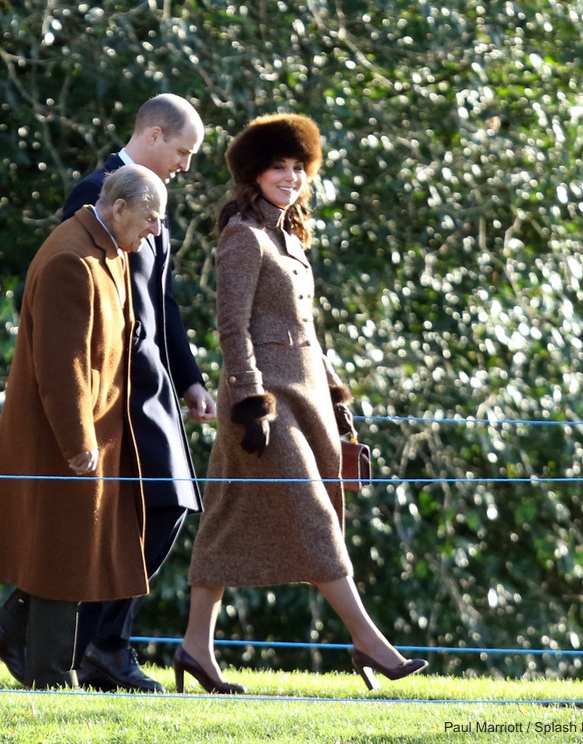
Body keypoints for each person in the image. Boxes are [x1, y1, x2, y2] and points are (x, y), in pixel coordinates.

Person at [175, 114, 428, 694]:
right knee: (313, 515)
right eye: (278, 168)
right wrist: (249, 400)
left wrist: (338, 399)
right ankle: (368, 640)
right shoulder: (243, 235)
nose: (289, 178)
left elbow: (308, 332)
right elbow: (231, 328)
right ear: (254, 174)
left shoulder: (291, 237)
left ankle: (194, 647)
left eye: (298, 168)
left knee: (224, 517)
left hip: (307, 395)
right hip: (264, 401)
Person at [0, 165, 167, 689]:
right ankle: (50, 676)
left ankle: (8, 630)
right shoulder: (70, 259)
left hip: (97, 428)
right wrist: (78, 442)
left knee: (80, 546)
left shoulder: (110, 251)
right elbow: (63, 366)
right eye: (150, 219)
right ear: (118, 207)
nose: (154, 232)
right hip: (62, 434)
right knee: (62, 554)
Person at [56, 93, 216, 693]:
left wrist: (192, 377)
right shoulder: (96, 191)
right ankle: (91, 643)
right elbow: (81, 297)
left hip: (155, 386)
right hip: (116, 391)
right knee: (163, 504)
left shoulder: (153, 201)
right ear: (153, 134)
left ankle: (96, 644)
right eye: (183, 151)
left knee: (166, 506)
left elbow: (162, 302)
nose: (187, 165)